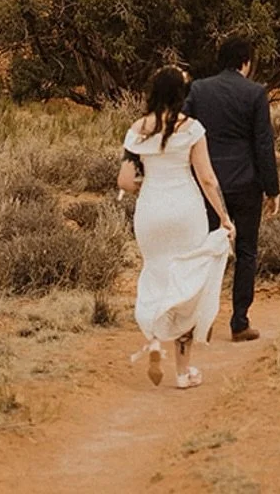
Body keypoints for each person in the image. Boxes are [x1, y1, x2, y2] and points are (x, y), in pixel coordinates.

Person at [120, 65, 234, 389]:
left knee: (156, 272)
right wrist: (224, 217)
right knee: (187, 283)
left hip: (151, 211)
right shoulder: (192, 128)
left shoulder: (137, 129)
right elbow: (208, 179)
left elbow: (125, 181)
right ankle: (183, 373)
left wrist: (147, 186)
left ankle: (155, 338)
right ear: (181, 94)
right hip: (185, 209)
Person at [184, 34, 279, 342]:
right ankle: (239, 322)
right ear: (245, 62)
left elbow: (184, 130)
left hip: (207, 183)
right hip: (247, 182)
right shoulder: (255, 93)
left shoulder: (199, 89)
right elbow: (264, 144)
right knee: (247, 251)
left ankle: (202, 320)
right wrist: (272, 188)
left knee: (206, 251)